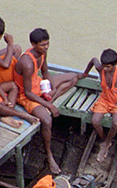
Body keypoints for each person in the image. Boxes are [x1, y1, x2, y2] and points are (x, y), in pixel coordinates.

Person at [15, 28, 81, 174]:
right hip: (28, 96)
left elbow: (45, 72)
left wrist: (50, 87)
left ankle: (52, 95)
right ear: (33, 44)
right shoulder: (27, 62)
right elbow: (27, 92)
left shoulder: (43, 53)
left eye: (47, 44)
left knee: (74, 78)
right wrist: (49, 106)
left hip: (39, 85)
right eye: (42, 45)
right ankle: (49, 155)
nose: (45, 47)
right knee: (47, 120)